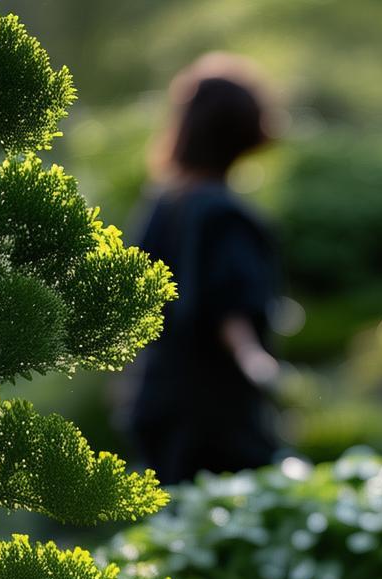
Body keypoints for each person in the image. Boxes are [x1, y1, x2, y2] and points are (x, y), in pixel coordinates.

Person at [127, 54, 282, 484]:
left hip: (158, 398)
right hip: (215, 411)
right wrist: (254, 360)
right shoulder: (225, 213)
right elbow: (229, 299)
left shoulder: (161, 205)